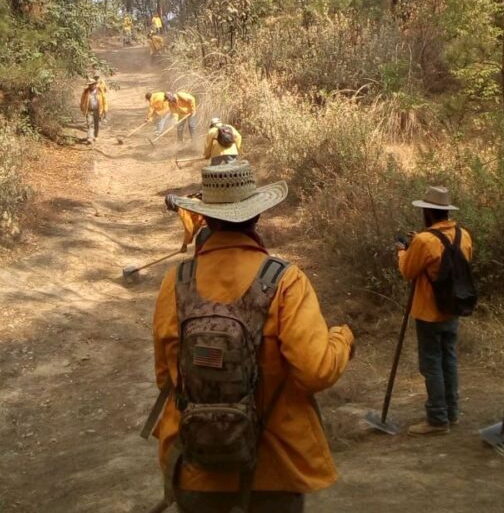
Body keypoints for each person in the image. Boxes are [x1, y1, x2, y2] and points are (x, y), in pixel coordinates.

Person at [149, 161, 355, 513]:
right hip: (273, 468)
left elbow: (165, 377)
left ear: (207, 220)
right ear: (256, 216)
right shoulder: (286, 281)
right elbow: (316, 371)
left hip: (196, 467)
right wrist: (343, 339)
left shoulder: (177, 280)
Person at [396, 186, 473, 435]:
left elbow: (408, 271)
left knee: (431, 363)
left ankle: (437, 419)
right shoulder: (463, 235)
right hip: (453, 307)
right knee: (448, 358)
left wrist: (402, 250)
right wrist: (417, 241)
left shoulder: (423, 240)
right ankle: (452, 412)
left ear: (428, 211)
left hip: (429, 310)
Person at [79, 77, 106, 143]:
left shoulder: (99, 91)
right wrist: (82, 108)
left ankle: (95, 136)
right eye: (90, 85)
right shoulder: (86, 92)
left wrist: (104, 110)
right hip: (89, 110)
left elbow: (104, 100)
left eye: (92, 84)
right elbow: (82, 100)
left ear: (95, 84)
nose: (91, 86)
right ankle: (90, 138)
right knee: (90, 123)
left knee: (97, 124)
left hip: (97, 110)